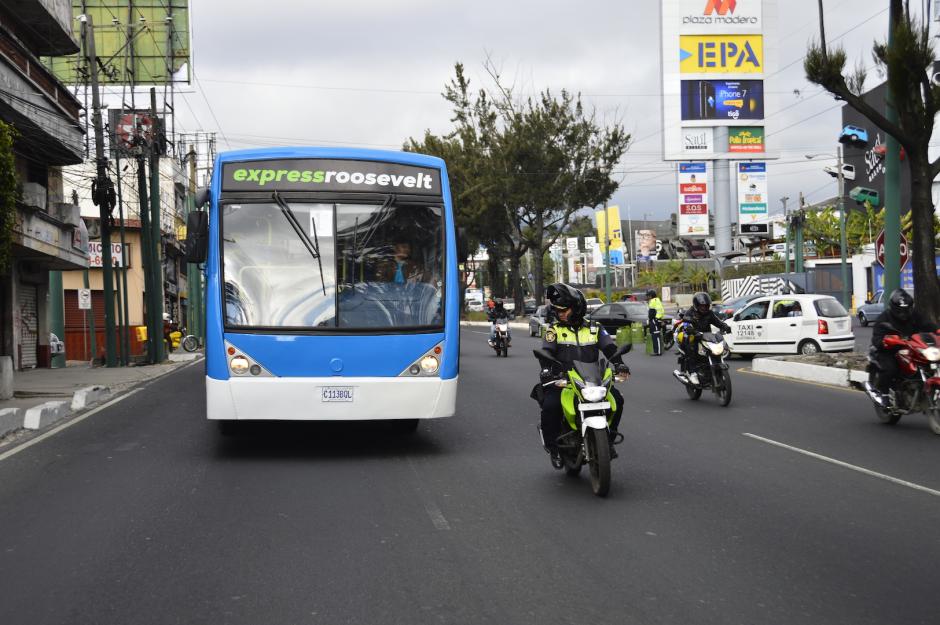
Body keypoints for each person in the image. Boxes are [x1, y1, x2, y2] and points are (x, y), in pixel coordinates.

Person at [533, 283, 630, 459]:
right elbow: (546, 352)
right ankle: (553, 447)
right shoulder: (554, 330)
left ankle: (608, 439)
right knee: (551, 406)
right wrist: (547, 369)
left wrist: (619, 364)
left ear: (576, 308)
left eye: (563, 310)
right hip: (564, 381)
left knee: (617, 400)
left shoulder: (595, 328)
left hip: (593, 380)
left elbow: (609, 348)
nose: (559, 313)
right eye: (557, 310)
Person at [867, 289, 940, 406]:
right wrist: (886, 341)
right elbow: (877, 338)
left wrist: (937, 330)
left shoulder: (914, 315)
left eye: (906, 310)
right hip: (890, 350)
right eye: (900, 311)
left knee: (928, 362)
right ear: (894, 308)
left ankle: (920, 389)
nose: (904, 313)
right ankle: (884, 395)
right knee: (890, 369)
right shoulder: (884, 318)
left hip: (911, 347)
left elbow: (927, 324)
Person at [675, 292, 730, 385]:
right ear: (696, 305)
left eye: (706, 306)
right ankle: (692, 373)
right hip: (694, 336)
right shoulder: (690, 313)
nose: (704, 308)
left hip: (706, 337)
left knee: (716, 346)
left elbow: (717, 321)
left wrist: (725, 326)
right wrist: (690, 329)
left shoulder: (709, 313)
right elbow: (686, 322)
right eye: (702, 306)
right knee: (692, 347)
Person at [647, 288, 666, 355]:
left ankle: (657, 352)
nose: (647, 297)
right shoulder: (653, 300)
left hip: (655, 321)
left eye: (648, 295)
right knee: (654, 336)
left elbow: (660, 310)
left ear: (651, 295)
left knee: (656, 335)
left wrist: (657, 319)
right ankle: (656, 351)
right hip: (653, 320)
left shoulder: (655, 300)